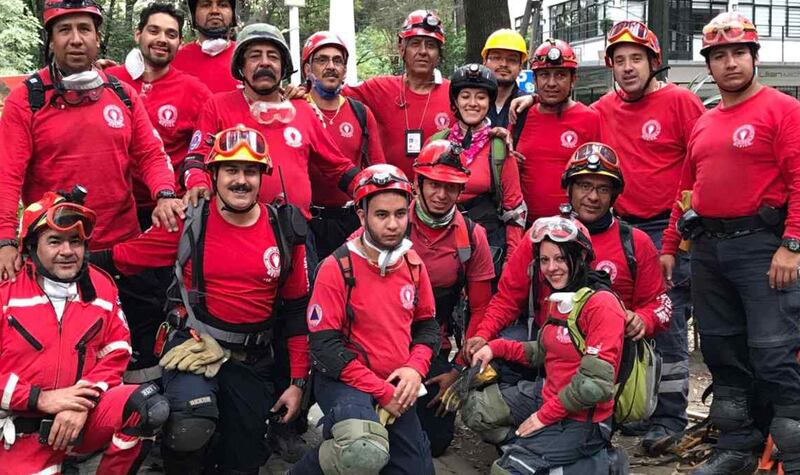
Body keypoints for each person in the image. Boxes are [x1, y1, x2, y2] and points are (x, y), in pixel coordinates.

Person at [92, 126, 311, 474]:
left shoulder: (284, 229)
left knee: (245, 459)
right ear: (213, 175)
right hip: (191, 344)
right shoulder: (191, 222)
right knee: (190, 426)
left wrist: (298, 383)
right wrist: (53, 255)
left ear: (263, 176)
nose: (241, 180)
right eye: (231, 170)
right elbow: (123, 257)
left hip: (251, 358)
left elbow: (299, 310)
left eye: (251, 171)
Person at [661, 12, 800, 475]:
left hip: (762, 247)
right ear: (710, 64)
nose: (730, 63)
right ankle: (737, 448)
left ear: (754, 58)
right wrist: (668, 245)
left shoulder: (782, 110)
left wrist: (792, 244)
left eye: (739, 52)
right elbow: (687, 188)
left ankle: (794, 453)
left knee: (774, 352)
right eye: (719, 56)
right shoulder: (705, 122)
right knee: (722, 351)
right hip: (708, 250)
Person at [590, 20, 705, 447]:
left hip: (665, 227)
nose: (627, 68)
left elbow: (700, 165)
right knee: (624, 321)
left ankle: (671, 419)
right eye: (619, 61)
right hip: (620, 228)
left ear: (653, 62)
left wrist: (681, 235)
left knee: (668, 322)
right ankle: (636, 407)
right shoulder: (602, 109)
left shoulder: (681, 102)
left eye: (636, 59)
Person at [0, 189, 169, 475]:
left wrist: (80, 402)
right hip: (16, 431)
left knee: (149, 405)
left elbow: (117, 351)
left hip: (80, 420)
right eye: (55, 241)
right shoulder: (6, 291)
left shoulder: (101, 286)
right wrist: (41, 399)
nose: (67, 251)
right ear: (30, 247)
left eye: (75, 241)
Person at [290, 164, 438, 475]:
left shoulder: (413, 264)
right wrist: (382, 392)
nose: (393, 224)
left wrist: (414, 369)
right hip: (345, 383)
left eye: (400, 214)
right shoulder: (336, 267)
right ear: (362, 215)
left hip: (396, 383)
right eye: (381, 215)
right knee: (361, 450)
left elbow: (427, 327)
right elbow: (325, 347)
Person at [466, 215, 626, 474]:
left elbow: (593, 387)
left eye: (561, 258)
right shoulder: (563, 298)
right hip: (550, 399)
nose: (551, 268)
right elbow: (542, 351)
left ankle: (600, 464)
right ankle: (539, 450)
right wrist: (494, 347)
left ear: (581, 257)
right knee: (479, 411)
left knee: (507, 470)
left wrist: (542, 417)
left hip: (584, 421)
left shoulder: (601, 304)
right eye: (544, 260)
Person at [408, 140, 495, 456]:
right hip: (380, 340)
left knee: (435, 442)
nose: (441, 195)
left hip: (431, 344)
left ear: (461, 191)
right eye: (433, 184)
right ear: (417, 183)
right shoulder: (390, 218)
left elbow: (482, 306)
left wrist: (458, 369)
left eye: (451, 187)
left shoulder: (472, 236)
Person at [107, 3, 213, 229]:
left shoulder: (194, 91)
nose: (162, 39)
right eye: (154, 31)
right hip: (114, 209)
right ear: (138, 34)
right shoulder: (108, 81)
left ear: (180, 43)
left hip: (169, 208)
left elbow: (210, 145)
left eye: (171, 34)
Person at [563, 142, 671, 342]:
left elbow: (660, 304)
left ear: (613, 195)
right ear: (569, 188)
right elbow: (508, 299)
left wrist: (643, 319)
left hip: (616, 354)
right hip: (553, 356)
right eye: (585, 186)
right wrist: (485, 337)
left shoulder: (636, 242)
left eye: (603, 189)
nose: (593, 197)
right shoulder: (544, 236)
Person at [431, 64, 526, 268]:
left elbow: (514, 211)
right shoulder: (438, 143)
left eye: (481, 97)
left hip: (487, 247)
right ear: (455, 101)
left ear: (489, 102)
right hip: (440, 245)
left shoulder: (499, 148)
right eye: (465, 96)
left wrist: (511, 265)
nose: (472, 103)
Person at [302, 31, 387, 261]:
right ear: (307, 69)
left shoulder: (360, 113)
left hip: (350, 219)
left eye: (337, 60)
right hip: (306, 222)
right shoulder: (295, 109)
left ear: (345, 70)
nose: (331, 66)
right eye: (322, 60)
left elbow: (376, 168)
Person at [342, 9, 453, 177]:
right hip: (389, 192)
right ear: (402, 49)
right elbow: (331, 95)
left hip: (438, 195)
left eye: (430, 45)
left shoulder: (455, 92)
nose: (423, 51)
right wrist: (300, 92)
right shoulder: (379, 88)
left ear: (439, 54)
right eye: (415, 43)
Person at [515, 39, 601, 223]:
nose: (551, 83)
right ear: (535, 80)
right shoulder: (520, 115)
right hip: (526, 227)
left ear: (573, 79)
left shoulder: (590, 119)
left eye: (560, 75)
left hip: (575, 227)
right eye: (544, 75)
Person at [172, 0, 239, 93]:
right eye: (206, 5)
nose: (214, 11)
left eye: (223, 5)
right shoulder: (175, 60)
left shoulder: (247, 57)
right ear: (194, 16)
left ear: (233, 16)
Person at [481, 29, 527, 129]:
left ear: (520, 66)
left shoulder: (528, 106)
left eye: (512, 60)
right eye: (496, 57)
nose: (504, 64)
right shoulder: (472, 103)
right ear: (484, 62)